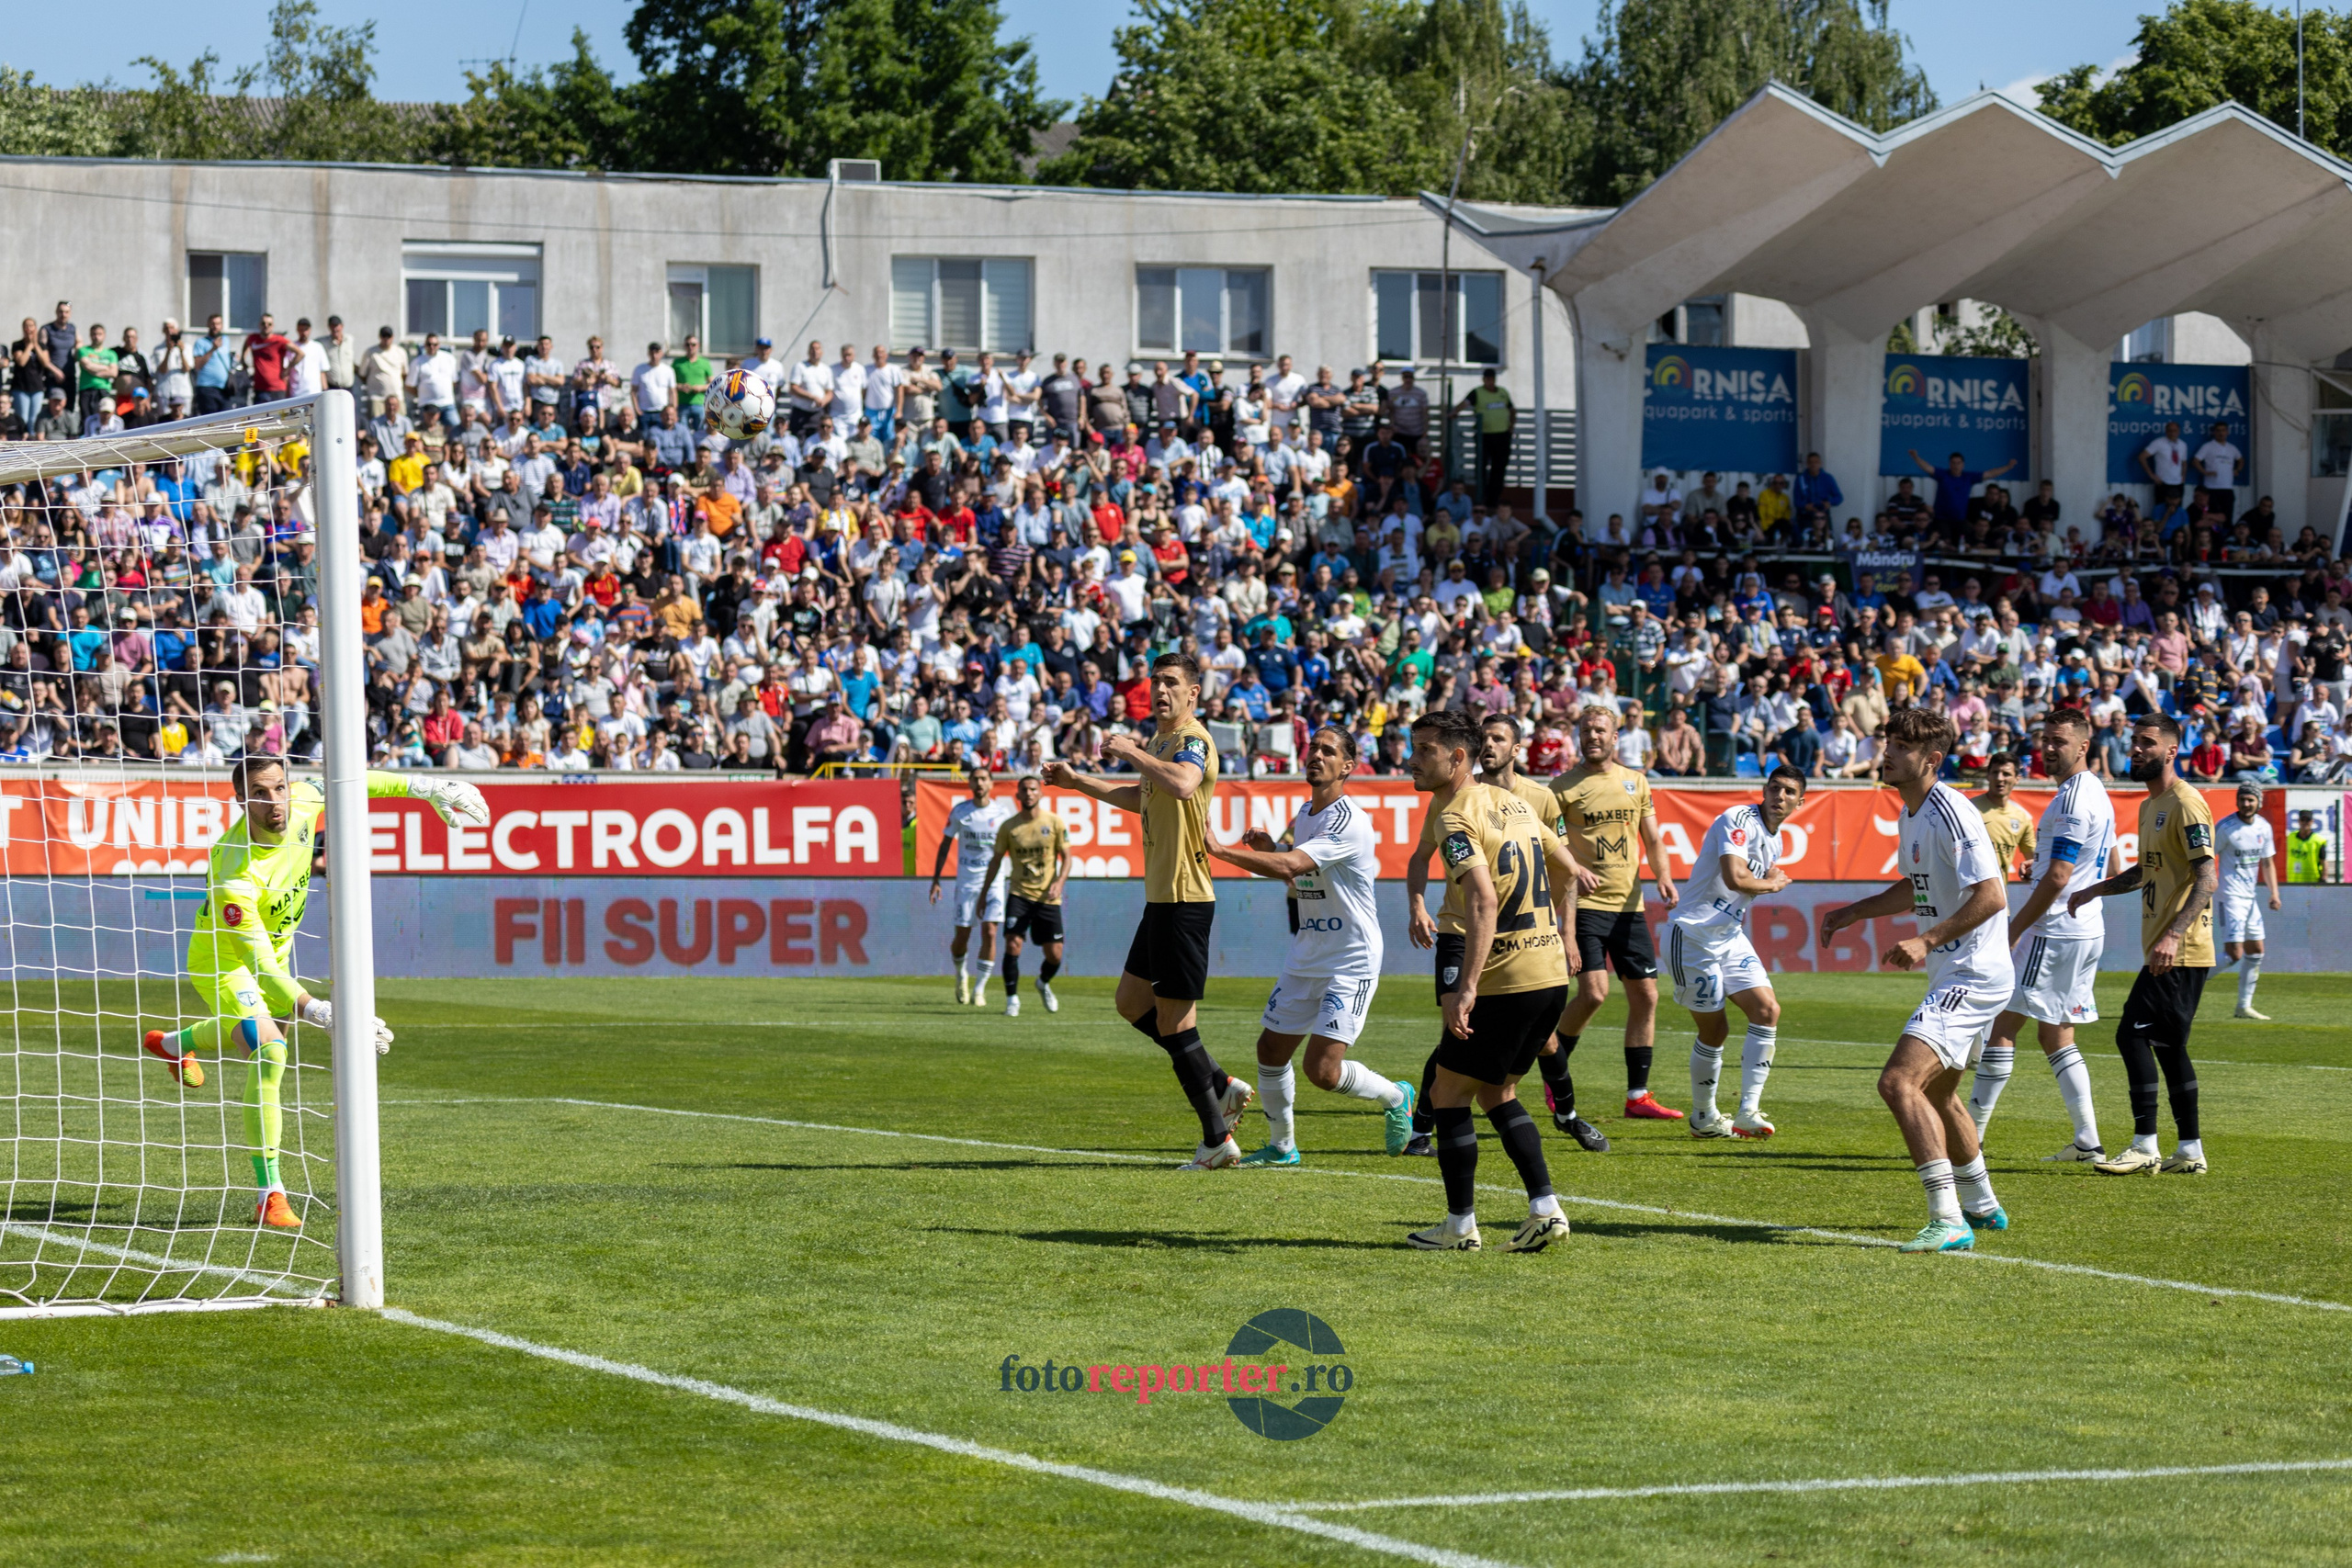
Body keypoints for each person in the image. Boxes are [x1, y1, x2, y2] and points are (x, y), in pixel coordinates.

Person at [139, 756, 487, 1228]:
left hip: (275, 958)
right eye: (259, 793)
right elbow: (257, 963)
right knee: (270, 1050)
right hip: (225, 962)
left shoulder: (302, 801)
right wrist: (319, 1010)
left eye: (278, 788)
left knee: (253, 1034)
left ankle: (174, 1044)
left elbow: (357, 782)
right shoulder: (232, 868)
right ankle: (270, 1192)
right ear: (240, 800)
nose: (274, 801)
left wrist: (427, 787)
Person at [1045, 651, 1252, 1169]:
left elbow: (1181, 783)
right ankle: (1221, 1083)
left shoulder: (1193, 741)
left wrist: (1131, 749)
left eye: (1171, 683)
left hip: (1185, 898)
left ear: (1193, 693)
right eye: (1155, 682)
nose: (1160, 690)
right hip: (1161, 898)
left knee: (1176, 1021)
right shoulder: (1162, 743)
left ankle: (1216, 1140)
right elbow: (1143, 797)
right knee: (1130, 1001)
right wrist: (1078, 783)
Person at [1820, 706, 2014, 1253]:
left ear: (1931, 760)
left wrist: (1925, 940)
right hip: (1958, 969)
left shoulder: (1952, 811)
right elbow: (1919, 886)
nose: (1887, 754)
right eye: (1888, 743)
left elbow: (1992, 895)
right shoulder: (1911, 814)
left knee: (1898, 1083)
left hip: (1972, 972)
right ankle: (1981, 1204)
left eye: (1900, 748)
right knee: (1941, 1091)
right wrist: (1853, 912)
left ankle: (1946, 1217)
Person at [1404, 707, 1581, 1253]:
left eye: (1425, 750)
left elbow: (1482, 899)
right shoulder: (1516, 803)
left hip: (1508, 977)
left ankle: (1460, 1228)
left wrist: (1468, 986)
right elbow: (1568, 867)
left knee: (1448, 1092)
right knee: (1496, 1092)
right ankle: (1544, 1208)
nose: (1413, 760)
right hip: (1549, 970)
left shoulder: (1455, 817)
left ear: (1458, 757)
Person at [1205, 726, 1413, 1167]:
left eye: (1328, 751)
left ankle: (1397, 1096)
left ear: (1348, 766)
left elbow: (1296, 863)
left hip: (1350, 956)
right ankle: (1283, 1147)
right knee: (1270, 1050)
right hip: (1309, 950)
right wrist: (1272, 849)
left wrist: (1223, 851)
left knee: (1323, 1071)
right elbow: (1296, 871)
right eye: (1313, 747)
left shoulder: (1347, 818)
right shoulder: (1306, 812)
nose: (1316, 755)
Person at [2066, 714, 2217, 1176]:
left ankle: (2144, 1144)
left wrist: (2173, 934)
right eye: (2134, 742)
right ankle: (2189, 1150)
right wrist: (2096, 888)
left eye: (2148, 743)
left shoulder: (2187, 804)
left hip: (2181, 950)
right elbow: (2146, 873)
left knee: (2130, 1034)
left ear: (2172, 750)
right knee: (2169, 1047)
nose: (2137, 750)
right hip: (2166, 948)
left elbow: (2207, 879)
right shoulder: (2152, 805)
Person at [1967, 712, 2117, 1163]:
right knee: (2057, 1035)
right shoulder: (2097, 794)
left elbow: (2058, 875)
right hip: (2086, 926)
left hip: (2053, 930)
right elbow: (2093, 866)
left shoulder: (2072, 800)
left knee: (2002, 1025)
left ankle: (1969, 1135)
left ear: (2083, 746)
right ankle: (2088, 1140)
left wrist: (2013, 929)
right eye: (2045, 740)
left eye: (2060, 741)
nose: (2050, 748)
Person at [1550, 705, 1682, 1120]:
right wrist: (1570, 887)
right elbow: (1554, 851)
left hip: (1629, 906)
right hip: (1585, 905)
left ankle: (1637, 1096)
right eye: (1586, 729)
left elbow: (1654, 839)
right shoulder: (1562, 788)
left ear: (1615, 737)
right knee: (1594, 993)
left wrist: (1664, 876)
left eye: (1600, 730)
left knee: (1646, 995)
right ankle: (1554, 1069)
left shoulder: (1636, 782)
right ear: (1579, 736)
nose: (1593, 736)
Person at [1674, 768, 1804, 1140]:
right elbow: (1735, 878)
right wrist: (1773, 883)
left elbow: (1747, 882)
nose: (1779, 796)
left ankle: (1748, 1111)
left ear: (1800, 801)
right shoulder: (1737, 818)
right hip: (1694, 936)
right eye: (1774, 788)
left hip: (1729, 936)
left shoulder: (1775, 840)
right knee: (1715, 1031)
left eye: (1789, 791)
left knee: (1767, 1010)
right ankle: (1703, 1117)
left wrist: (1767, 878)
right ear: (1763, 791)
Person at [978, 773, 1070, 1019]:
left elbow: (1067, 857)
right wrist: (983, 894)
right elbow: (996, 861)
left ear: (1040, 793)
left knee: (1055, 954)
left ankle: (1042, 983)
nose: (1028, 793)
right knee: (1013, 943)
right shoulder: (1009, 827)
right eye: (1024, 790)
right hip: (1019, 895)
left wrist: (1059, 882)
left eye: (1033, 789)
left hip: (1048, 898)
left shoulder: (1054, 823)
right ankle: (1012, 1000)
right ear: (1017, 795)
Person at [929, 762, 1015, 1006]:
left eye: (983, 779)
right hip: (967, 881)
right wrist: (936, 880)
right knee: (962, 937)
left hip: (995, 880)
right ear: (970, 783)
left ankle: (979, 989)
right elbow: (945, 843)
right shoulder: (960, 812)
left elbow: (1012, 845)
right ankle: (961, 974)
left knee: (990, 932)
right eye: (975, 779)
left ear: (990, 783)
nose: (979, 783)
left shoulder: (1002, 813)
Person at [2214, 782, 2280, 1021]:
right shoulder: (2226, 827)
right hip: (2229, 897)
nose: (2246, 803)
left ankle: (2243, 1006)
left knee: (2256, 951)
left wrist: (2274, 893)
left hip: (2250, 899)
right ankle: (2190, 979)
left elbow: (2268, 862)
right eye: (2242, 799)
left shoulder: (2263, 827)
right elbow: (2207, 857)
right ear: (2237, 801)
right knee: (2234, 954)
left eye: (2250, 799)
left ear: (2258, 802)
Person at [1973, 751, 2036, 882]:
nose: (1999, 778)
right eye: (1995, 772)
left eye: (2006, 774)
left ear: (2017, 779)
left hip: (2000, 898)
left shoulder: (2021, 818)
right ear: (1988, 775)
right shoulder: (1969, 810)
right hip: (1964, 897)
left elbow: (2034, 861)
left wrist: (2031, 871)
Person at [2285, 809, 2328, 885]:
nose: (2305, 823)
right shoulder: (2290, 838)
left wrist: (2324, 877)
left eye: (2307, 820)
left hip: (2312, 882)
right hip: (2293, 881)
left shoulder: (2318, 841)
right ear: (2298, 821)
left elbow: (2323, 861)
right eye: (2302, 820)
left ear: (2312, 822)